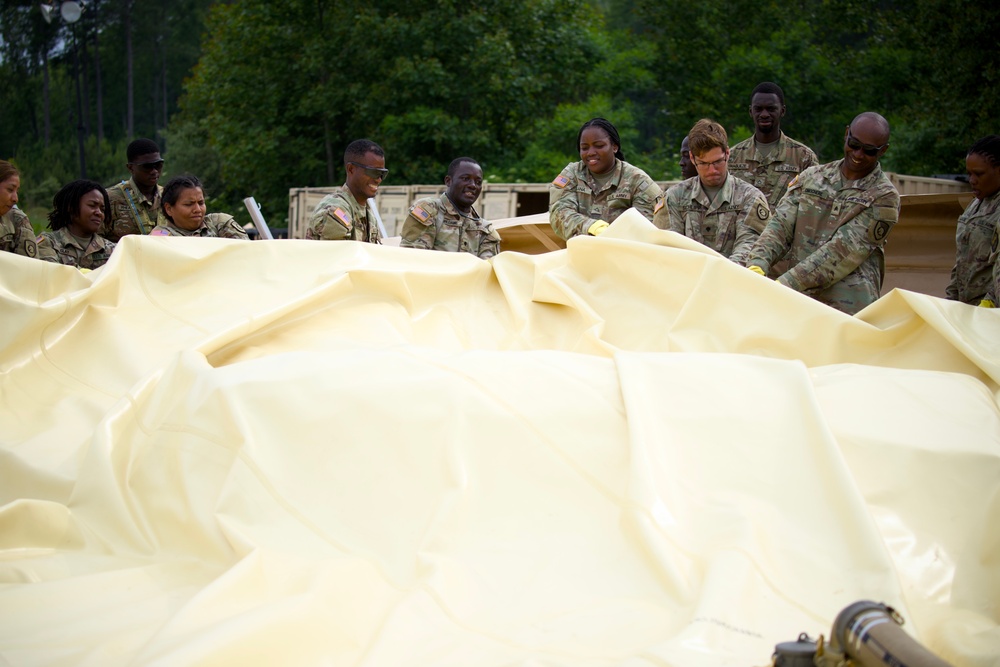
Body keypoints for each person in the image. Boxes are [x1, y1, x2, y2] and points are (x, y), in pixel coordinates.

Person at [746, 112, 901, 315]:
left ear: (883, 151)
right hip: (798, 303)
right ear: (846, 134)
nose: (858, 154)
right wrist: (756, 264)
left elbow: (841, 251)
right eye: (854, 144)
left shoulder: (884, 197)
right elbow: (780, 227)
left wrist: (783, 285)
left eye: (869, 150)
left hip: (847, 310)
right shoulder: (812, 177)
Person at [653, 119, 771, 265]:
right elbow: (668, 247)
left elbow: (749, 247)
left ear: (727, 153)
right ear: (692, 158)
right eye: (703, 163)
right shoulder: (675, 197)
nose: (712, 170)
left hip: (733, 279)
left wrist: (718, 274)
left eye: (717, 162)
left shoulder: (750, 197)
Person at [548, 118, 662, 239]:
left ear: (614, 147)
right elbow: (559, 213)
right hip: (580, 252)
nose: (591, 152)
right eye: (585, 148)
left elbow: (649, 228)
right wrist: (591, 227)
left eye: (599, 146)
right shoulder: (572, 174)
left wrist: (610, 235)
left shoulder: (637, 181)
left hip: (623, 253)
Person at [728, 82, 818, 214]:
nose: (764, 114)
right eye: (758, 109)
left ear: (782, 111)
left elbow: (813, 206)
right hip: (740, 233)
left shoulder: (803, 157)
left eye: (771, 109)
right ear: (750, 111)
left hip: (782, 233)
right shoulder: (732, 157)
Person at [400, 157, 500, 259]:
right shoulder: (430, 210)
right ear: (448, 181)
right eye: (465, 179)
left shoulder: (485, 230)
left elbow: (486, 270)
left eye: (478, 182)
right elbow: (412, 258)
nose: (473, 185)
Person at [945, 135, 1000, 305]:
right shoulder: (975, 204)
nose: (972, 181)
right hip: (967, 309)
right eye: (969, 174)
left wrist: (989, 304)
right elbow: (962, 259)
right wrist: (951, 300)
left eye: (979, 174)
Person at [306, 139, 385, 243]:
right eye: (373, 172)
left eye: (382, 174)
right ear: (351, 169)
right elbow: (338, 258)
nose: (378, 179)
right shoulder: (336, 212)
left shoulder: (367, 213)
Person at [37, 180, 116, 269]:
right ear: (71, 207)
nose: (99, 213)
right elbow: (54, 274)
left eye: (102, 209)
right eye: (92, 205)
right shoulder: (48, 243)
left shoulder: (114, 250)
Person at [102, 138, 166, 243]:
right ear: (131, 168)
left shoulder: (169, 196)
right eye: (147, 166)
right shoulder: (110, 199)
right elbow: (95, 239)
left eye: (158, 165)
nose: (154, 171)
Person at [148, 175, 249, 239]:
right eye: (188, 204)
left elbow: (247, 253)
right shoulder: (161, 236)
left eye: (201, 203)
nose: (197, 209)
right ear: (169, 209)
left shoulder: (220, 223)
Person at [0, 160, 37, 258]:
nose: (15, 199)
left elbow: (30, 266)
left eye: (17, 191)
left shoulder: (17, 220)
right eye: (10, 190)